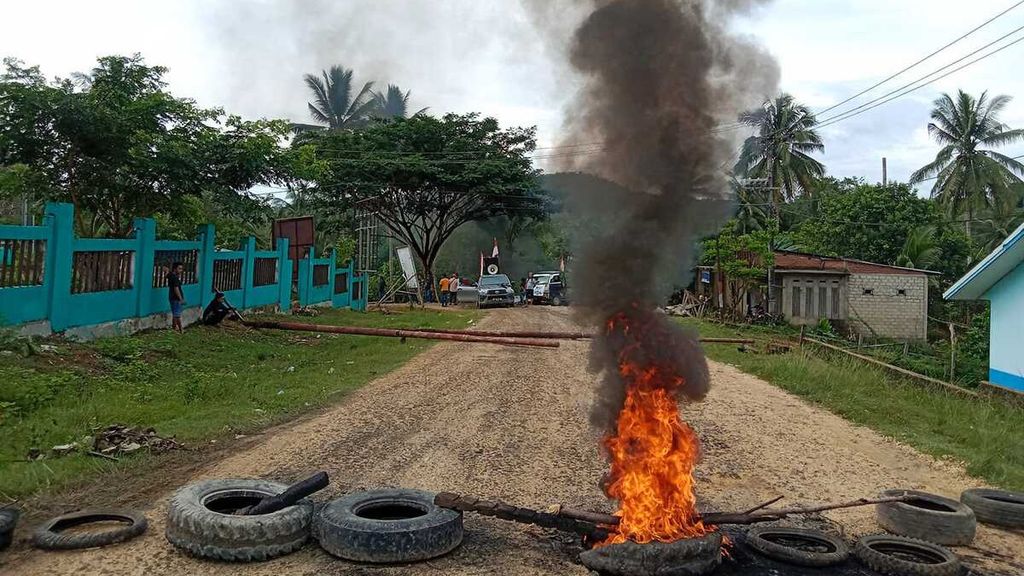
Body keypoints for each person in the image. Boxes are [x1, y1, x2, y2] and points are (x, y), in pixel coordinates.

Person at [167, 262, 185, 333]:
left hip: (172, 297)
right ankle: (181, 330)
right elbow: (176, 288)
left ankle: (174, 328)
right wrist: (181, 299)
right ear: (175, 269)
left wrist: (167, 271)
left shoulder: (171, 275)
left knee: (175, 314)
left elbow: (167, 274)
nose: (181, 270)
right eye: (179, 269)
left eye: (181, 269)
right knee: (177, 315)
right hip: (175, 298)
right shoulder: (174, 278)